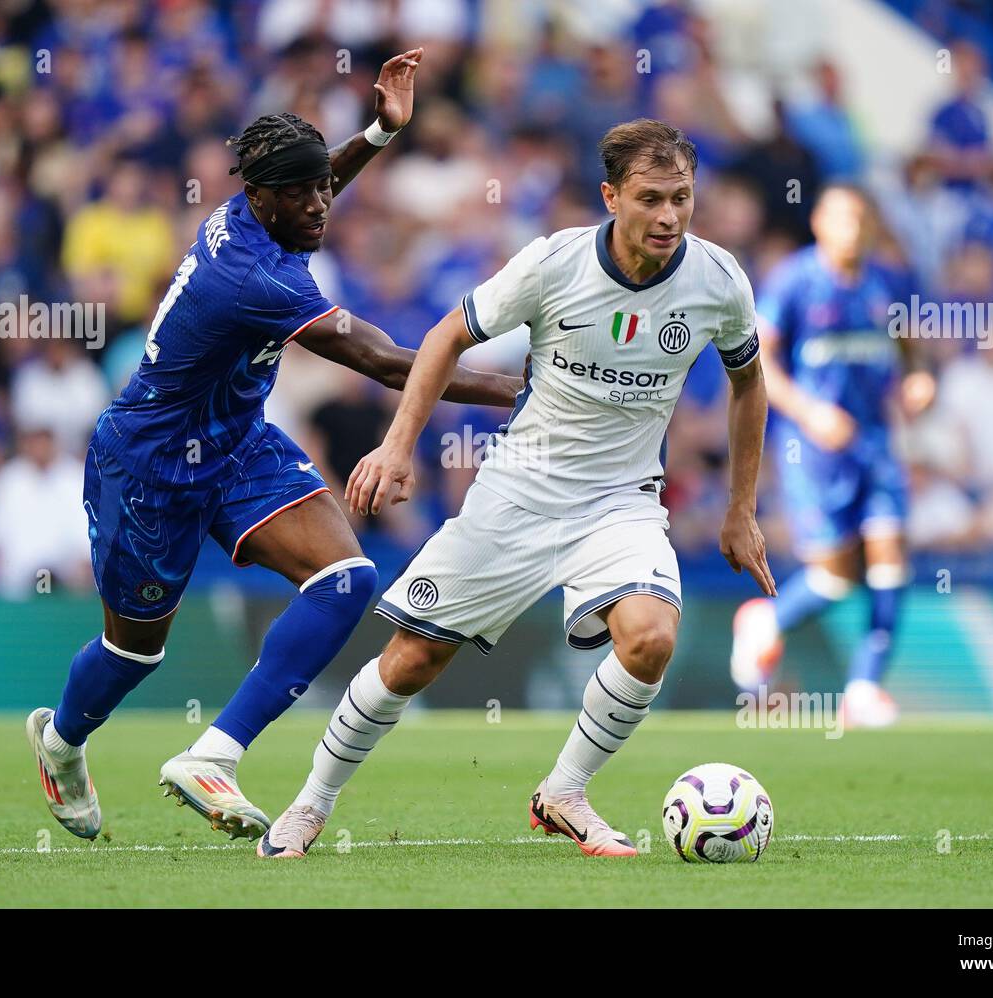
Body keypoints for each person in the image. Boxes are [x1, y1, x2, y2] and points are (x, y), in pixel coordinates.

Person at [26, 49, 524, 842]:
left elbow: (313, 179)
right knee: (133, 655)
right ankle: (60, 742)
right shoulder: (257, 278)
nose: (320, 204)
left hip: (236, 443)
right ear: (260, 198)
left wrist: (377, 134)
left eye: (322, 186)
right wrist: (521, 387)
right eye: (301, 194)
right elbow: (391, 363)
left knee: (345, 580)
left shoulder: (260, 213)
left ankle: (214, 753)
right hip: (149, 464)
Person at [258, 118, 774, 860]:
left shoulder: (717, 281)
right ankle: (310, 805)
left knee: (652, 638)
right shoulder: (553, 264)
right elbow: (444, 338)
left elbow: (748, 382)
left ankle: (564, 793)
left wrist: (740, 509)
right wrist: (399, 445)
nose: (668, 217)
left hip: (621, 501)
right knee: (411, 660)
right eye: (651, 198)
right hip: (518, 493)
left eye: (682, 199)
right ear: (610, 197)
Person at [730, 184, 934, 727]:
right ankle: (764, 622)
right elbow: (760, 360)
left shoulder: (884, 282)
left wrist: (917, 379)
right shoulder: (796, 280)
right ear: (820, 223)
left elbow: (911, 346)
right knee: (836, 577)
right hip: (814, 452)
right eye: (842, 218)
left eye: (862, 218)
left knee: (891, 558)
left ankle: (864, 689)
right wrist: (808, 413)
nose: (853, 228)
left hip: (876, 445)